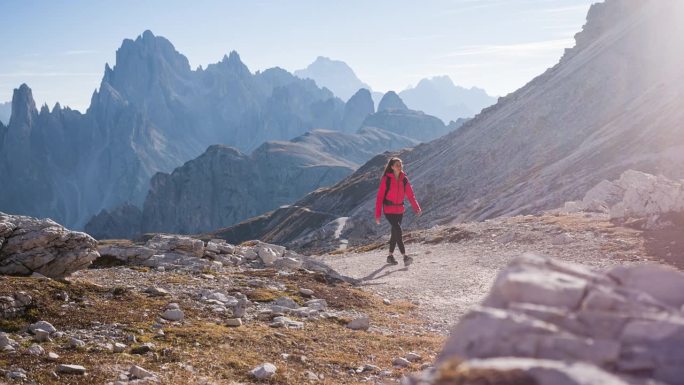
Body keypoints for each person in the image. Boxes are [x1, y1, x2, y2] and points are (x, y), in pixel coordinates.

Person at [375, 157, 422, 266]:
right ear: (391, 167)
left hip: (399, 210)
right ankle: (405, 257)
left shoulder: (404, 179)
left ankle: (390, 256)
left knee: (394, 233)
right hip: (388, 209)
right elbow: (380, 197)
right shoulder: (386, 179)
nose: (399, 167)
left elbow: (411, 195)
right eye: (397, 165)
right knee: (398, 230)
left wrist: (417, 207)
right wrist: (378, 214)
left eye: (400, 165)